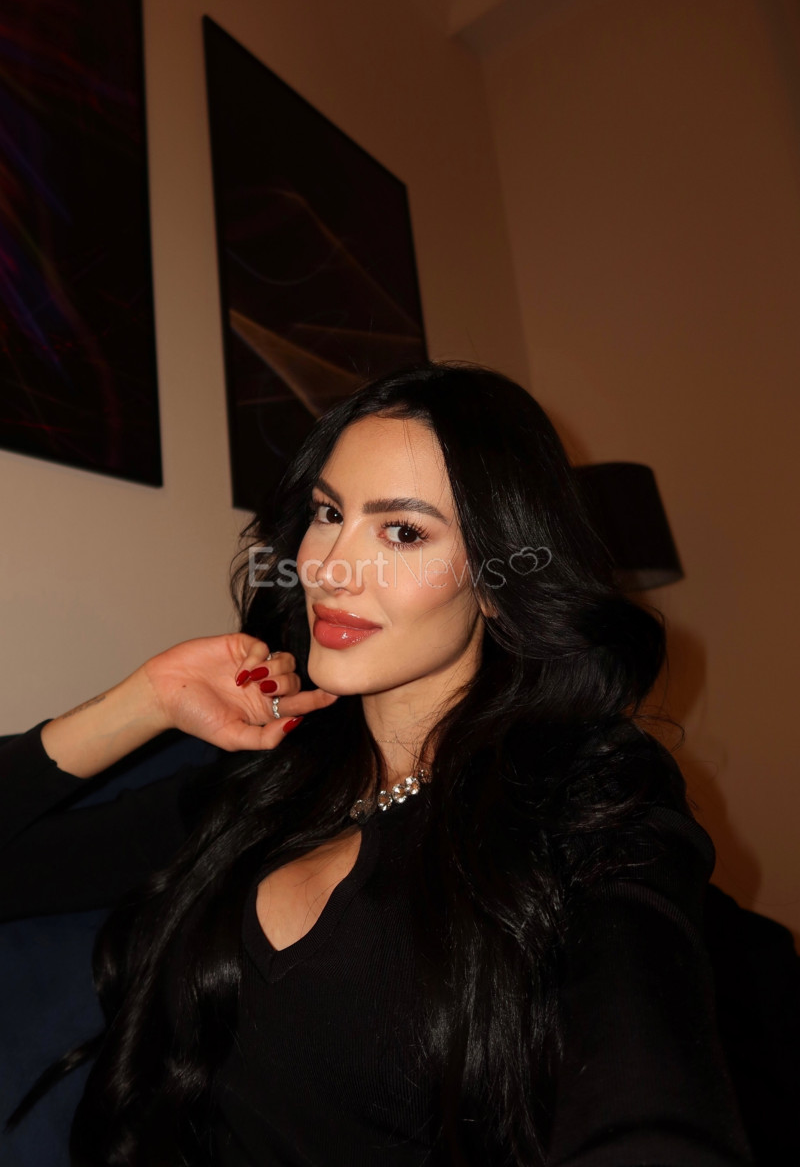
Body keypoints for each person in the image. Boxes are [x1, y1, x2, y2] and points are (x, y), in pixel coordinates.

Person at [0, 362, 753, 1167]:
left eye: (402, 532)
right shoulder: (265, 780)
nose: (329, 567)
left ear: (497, 581)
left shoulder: (589, 796)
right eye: (328, 513)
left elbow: (648, 1092)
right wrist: (142, 702)